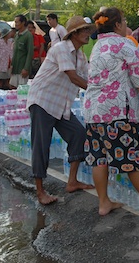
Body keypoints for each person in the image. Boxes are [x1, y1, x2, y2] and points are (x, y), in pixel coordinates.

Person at [84, 8, 139, 215]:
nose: (126, 25)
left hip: (93, 112)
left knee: (100, 157)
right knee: (130, 157)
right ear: (117, 25)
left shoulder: (98, 46)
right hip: (117, 112)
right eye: (124, 21)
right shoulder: (124, 44)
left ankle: (104, 202)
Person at [27, 16, 96, 205]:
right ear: (74, 33)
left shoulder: (80, 56)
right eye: (84, 31)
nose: (88, 34)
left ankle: (72, 181)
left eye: (88, 31)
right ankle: (40, 191)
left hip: (60, 104)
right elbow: (74, 77)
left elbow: (89, 77)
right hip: (43, 100)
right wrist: (97, 91)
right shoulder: (60, 49)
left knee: (79, 134)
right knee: (41, 144)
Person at [10, 15, 34, 89]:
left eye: (17, 22)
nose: (16, 24)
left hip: (22, 68)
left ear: (23, 22)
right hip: (15, 68)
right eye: (15, 22)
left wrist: (26, 68)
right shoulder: (16, 35)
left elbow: (30, 53)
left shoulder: (28, 35)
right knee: (12, 87)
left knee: (22, 90)